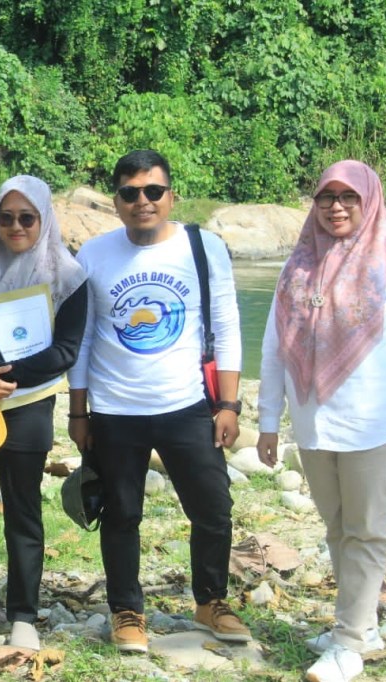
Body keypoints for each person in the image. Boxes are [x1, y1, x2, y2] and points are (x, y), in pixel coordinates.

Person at [67, 149, 250, 653]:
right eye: (130, 193)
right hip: (115, 409)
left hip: (186, 404)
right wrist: (78, 411)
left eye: (153, 191)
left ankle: (211, 601)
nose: (142, 201)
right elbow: (83, 338)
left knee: (213, 508)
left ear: (171, 196)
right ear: (116, 201)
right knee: (121, 514)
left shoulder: (203, 247)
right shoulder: (94, 255)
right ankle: (126, 610)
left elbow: (227, 326)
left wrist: (229, 404)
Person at [257, 160, 386, 682]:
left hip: (377, 422)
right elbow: (274, 351)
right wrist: (268, 421)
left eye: (349, 197)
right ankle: (362, 625)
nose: (336, 207)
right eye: (327, 197)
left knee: (366, 531)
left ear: (368, 202)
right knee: (336, 528)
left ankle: (349, 643)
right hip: (314, 423)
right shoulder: (296, 269)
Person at [0, 175, 87, 650]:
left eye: (27, 218)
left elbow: (66, 350)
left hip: (29, 406)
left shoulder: (68, 277)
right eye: (5, 217)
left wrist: (3, 377)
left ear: (44, 219)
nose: (15, 227)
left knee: (23, 510)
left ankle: (23, 614)